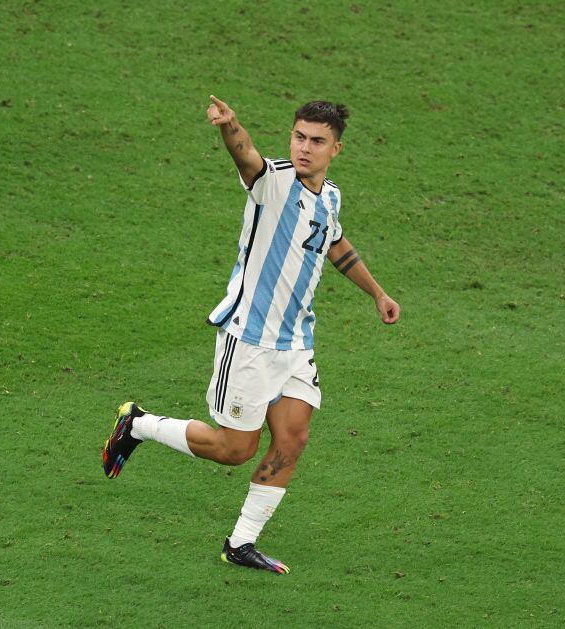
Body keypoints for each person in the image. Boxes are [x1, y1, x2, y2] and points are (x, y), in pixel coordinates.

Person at [102, 95, 401, 574]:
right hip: (249, 340)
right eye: (299, 136)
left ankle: (240, 543)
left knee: (292, 439)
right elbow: (247, 157)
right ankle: (136, 424)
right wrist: (230, 126)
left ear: (335, 149)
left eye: (317, 141)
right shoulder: (275, 181)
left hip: (295, 344)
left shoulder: (329, 197)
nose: (305, 148)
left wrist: (378, 294)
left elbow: (334, 244)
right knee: (234, 450)